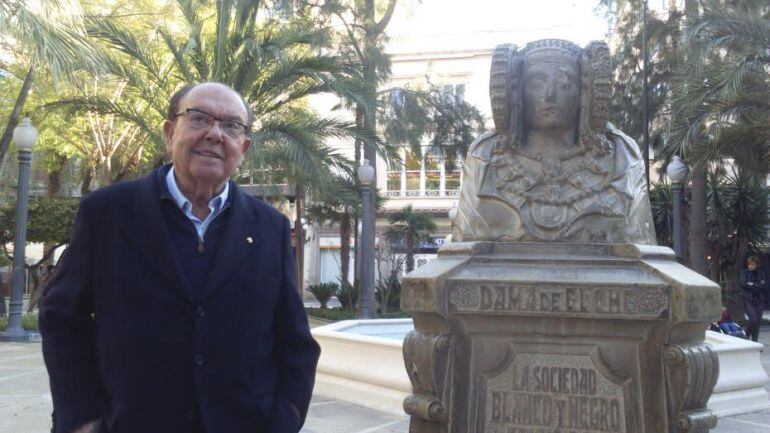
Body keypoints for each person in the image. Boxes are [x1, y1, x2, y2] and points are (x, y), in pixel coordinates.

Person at [39, 82, 320, 433]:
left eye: (232, 126)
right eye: (199, 118)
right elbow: (61, 318)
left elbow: (295, 343)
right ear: (170, 133)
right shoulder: (107, 213)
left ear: (243, 148)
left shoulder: (270, 227)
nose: (215, 134)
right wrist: (82, 419)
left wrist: (285, 420)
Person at [454, 39, 655, 243]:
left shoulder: (622, 156)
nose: (549, 94)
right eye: (536, 84)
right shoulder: (484, 156)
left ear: (585, 94)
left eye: (564, 84)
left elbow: (641, 242)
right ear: (515, 93)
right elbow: (464, 242)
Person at [740, 255, 766, 342]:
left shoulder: (761, 273)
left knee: (757, 322)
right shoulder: (744, 273)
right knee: (753, 319)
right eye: (749, 264)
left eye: (752, 264)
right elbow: (743, 284)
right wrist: (756, 285)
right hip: (748, 299)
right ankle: (746, 335)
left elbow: (763, 286)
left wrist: (752, 284)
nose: (750, 266)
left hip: (759, 300)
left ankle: (755, 341)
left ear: (757, 265)